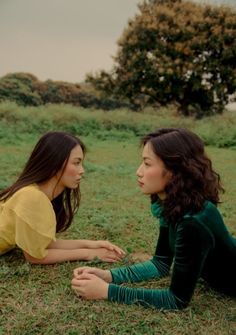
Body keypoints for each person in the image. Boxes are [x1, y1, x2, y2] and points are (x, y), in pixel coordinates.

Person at [71, 127, 236, 310]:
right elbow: (161, 263)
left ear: (174, 170)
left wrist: (106, 291)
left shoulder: (193, 221)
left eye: (147, 164)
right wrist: (108, 275)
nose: (139, 172)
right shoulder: (174, 203)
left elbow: (176, 300)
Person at [0, 131, 125, 264]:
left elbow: (44, 243)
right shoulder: (32, 196)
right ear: (55, 163)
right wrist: (88, 253)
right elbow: (35, 256)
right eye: (76, 163)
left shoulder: (34, 193)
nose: (82, 170)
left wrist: (92, 244)